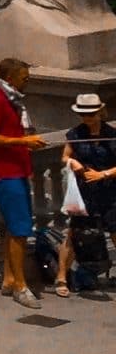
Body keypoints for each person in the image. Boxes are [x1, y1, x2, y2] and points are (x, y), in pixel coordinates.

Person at [0, 57, 53, 306]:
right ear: (10, 79)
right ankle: (21, 286)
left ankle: (10, 278)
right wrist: (24, 142)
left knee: (13, 225)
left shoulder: (9, 99)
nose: (27, 81)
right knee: (20, 229)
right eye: (24, 78)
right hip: (4, 172)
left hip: (15, 168)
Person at [56, 90, 116, 297]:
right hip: (84, 193)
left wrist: (104, 174)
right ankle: (61, 276)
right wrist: (73, 162)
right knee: (74, 234)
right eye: (83, 115)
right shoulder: (75, 135)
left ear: (100, 112)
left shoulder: (112, 134)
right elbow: (65, 157)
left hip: (109, 190)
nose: (87, 118)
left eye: (90, 114)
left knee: (115, 231)